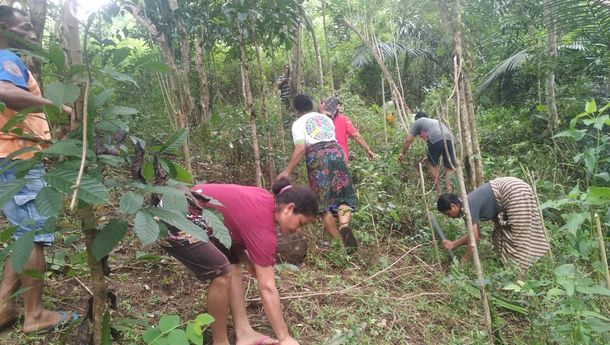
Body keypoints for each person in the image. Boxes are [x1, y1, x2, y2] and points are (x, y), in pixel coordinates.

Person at [159, 178, 318, 345]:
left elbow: (234, 223)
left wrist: (244, 258)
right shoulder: (264, 228)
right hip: (175, 210)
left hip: (190, 207)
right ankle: (220, 342)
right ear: (289, 208)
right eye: (301, 223)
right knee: (222, 272)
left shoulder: (265, 201)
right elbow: (267, 288)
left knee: (234, 265)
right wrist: (284, 338)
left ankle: (245, 333)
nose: (299, 229)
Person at [0, 6, 77, 334]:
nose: (33, 34)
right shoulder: (5, 57)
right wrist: (55, 105)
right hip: (17, 156)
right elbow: (3, 93)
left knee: (24, 232)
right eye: (26, 26)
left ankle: (4, 306)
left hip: (15, 156)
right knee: (34, 235)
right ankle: (35, 316)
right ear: (4, 27)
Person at [277, 94, 358, 251]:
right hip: (337, 153)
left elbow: (301, 148)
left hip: (318, 158)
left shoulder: (298, 123)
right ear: (311, 105)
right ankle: (344, 226)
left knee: (322, 206)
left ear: (296, 109)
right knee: (343, 197)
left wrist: (287, 171)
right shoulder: (325, 119)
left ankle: (339, 246)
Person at [436, 177, 550, 270]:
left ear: (453, 206)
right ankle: (511, 265)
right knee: (499, 234)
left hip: (515, 192)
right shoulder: (466, 205)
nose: (449, 217)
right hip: (513, 189)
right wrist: (453, 244)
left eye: (447, 214)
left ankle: (522, 270)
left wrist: (463, 262)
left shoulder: (467, 207)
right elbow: (473, 235)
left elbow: (474, 240)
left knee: (520, 237)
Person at [399, 111, 456, 193]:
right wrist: (428, 156)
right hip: (450, 139)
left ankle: (439, 192)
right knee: (449, 167)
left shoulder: (418, 121)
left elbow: (408, 140)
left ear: (417, 118)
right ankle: (450, 192)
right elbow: (434, 144)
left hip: (437, 139)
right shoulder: (434, 122)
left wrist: (403, 153)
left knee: (432, 165)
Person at [319, 96, 374, 162]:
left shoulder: (317, 120)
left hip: (323, 157)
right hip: (341, 156)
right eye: (338, 105)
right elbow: (356, 135)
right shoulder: (343, 119)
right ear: (335, 107)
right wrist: (368, 149)